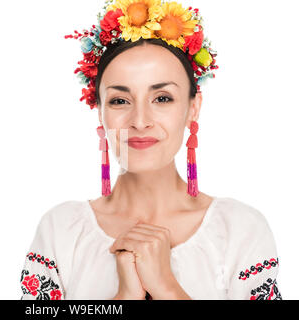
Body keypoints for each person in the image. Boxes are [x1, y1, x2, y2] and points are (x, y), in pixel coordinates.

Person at [19, 0, 282, 300]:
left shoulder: (240, 230)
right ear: (99, 112)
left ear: (193, 108)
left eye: (162, 98)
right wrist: (125, 296)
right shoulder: (60, 231)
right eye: (120, 101)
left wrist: (165, 286)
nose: (140, 121)